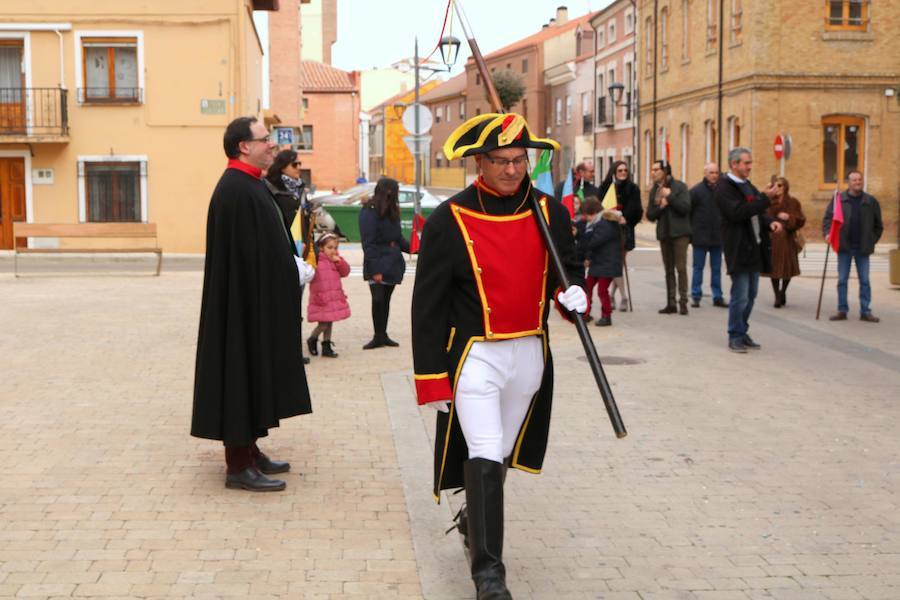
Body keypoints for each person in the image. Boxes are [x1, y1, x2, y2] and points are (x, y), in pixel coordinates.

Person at [411, 112, 587, 600]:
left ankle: (474, 519)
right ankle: (489, 576)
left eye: (519, 160)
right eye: (501, 161)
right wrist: (430, 378)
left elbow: (565, 273)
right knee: (485, 453)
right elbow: (428, 305)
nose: (512, 170)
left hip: (530, 354)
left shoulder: (551, 213)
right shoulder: (450, 219)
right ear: (478, 164)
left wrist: (574, 297)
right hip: (476, 358)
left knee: (499, 458)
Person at [192, 116, 315, 492]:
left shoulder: (249, 184)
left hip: (254, 305)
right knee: (241, 375)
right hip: (241, 310)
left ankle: (250, 448)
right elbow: (245, 258)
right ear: (244, 146)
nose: (273, 145)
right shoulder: (235, 189)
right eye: (266, 140)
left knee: (254, 375)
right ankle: (238, 465)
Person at [716, 147, 781, 353]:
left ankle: (742, 331)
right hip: (738, 247)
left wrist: (770, 222)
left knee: (751, 294)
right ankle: (734, 334)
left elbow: (758, 211)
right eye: (746, 163)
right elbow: (737, 212)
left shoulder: (747, 186)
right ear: (734, 164)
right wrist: (764, 198)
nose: (750, 167)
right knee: (741, 295)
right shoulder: (724, 187)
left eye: (751, 162)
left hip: (754, 247)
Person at [265, 149, 311, 364]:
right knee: (283, 305)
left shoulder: (299, 189)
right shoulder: (271, 188)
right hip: (283, 251)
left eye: (300, 164)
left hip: (301, 250)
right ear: (283, 166)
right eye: (295, 164)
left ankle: (294, 350)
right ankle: (282, 350)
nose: (299, 168)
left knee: (296, 303)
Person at [822, 170, 883, 322]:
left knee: (865, 281)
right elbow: (828, 219)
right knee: (842, 280)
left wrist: (871, 240)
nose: (857, 182)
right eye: (854, 180)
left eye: (859, 180)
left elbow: (878, 225)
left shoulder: (870, 201)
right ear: (848, 182)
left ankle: (865, 311)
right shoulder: (839, 200)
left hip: (862, 248)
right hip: (844, 247)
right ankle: (842, 310)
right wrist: (827, 234)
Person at [359, 177, 410, 349]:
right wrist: (375, 269)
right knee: (378, 299)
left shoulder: (392, 210)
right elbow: (368, 242)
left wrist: (415, 248)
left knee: (386, 299)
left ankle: (383, 334)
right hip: (378, 260)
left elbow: (398, 237)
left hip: (393, 261)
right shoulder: (370, 211)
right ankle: (377, 335)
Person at [646, 160, 692, 315]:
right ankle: (670, 303)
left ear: (665, 171)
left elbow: (685, 208)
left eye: (656, 169)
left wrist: (670, 197)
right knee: (668, 270)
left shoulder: (680, 186)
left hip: (680, 234)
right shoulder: (655, 190)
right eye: (652, 170)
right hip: (664, 234)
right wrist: (661, 206)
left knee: (681, 268)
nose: (652, 172)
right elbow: (650, 215)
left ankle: (683, 301)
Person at [602, 161, 643, 311]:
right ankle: (619, 296)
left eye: (625, 170)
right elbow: (600, 206)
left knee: (618, 263)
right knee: (616, 264)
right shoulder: (606, 187)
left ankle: (619, 296)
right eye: (620, 170)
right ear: (614, 172)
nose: (623, 172)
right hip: (607, 231)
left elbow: (637, 211)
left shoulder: (633, 189)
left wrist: (627, 217)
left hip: (624, 231)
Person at [689, 162, 728, 308]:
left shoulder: (723, 191)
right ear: (705, 173)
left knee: (717, 268)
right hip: (700, 236)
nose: (714, 176)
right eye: (711, 173)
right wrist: (691, 234)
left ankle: (717, 296)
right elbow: (689, 213)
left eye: (716, 173)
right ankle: (696, 295)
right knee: (698, 267)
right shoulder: (696, 191)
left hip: (718, 236)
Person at [306, 233, 351, 358]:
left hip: (333, 297)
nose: (333, 251)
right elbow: (308, 275)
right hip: (321, 298)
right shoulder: (316, 260)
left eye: (335, 248)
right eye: (330, 248)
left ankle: (326, 345)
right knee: (323, 324)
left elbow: (345, 272)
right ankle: (313, 338)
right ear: (321, 248)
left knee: (329, 321)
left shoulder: (336, 260)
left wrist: (339, 261)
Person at [583, 197, 625, 327]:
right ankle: (585, 313)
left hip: (608, 263)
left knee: (602, 290)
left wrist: (584, 235)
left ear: (593, 212)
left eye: (587, 216)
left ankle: (606, 316)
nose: (587, 219)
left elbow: (594, 242)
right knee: (588, 286)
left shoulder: (605, 223)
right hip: (599, 262)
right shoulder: (599, 223)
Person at [765, 176, 806, 308]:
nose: (777, 188)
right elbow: (763, 218)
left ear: (785, 187)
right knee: (774, 269)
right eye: (775, 185)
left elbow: (801, 219)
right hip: (773, 240)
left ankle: (783, 291)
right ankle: (777, 296)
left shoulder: (793, 202)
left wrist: (789, 217)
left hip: (788, 240)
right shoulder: (770, 202)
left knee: (787, 269)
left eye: (780, 185)